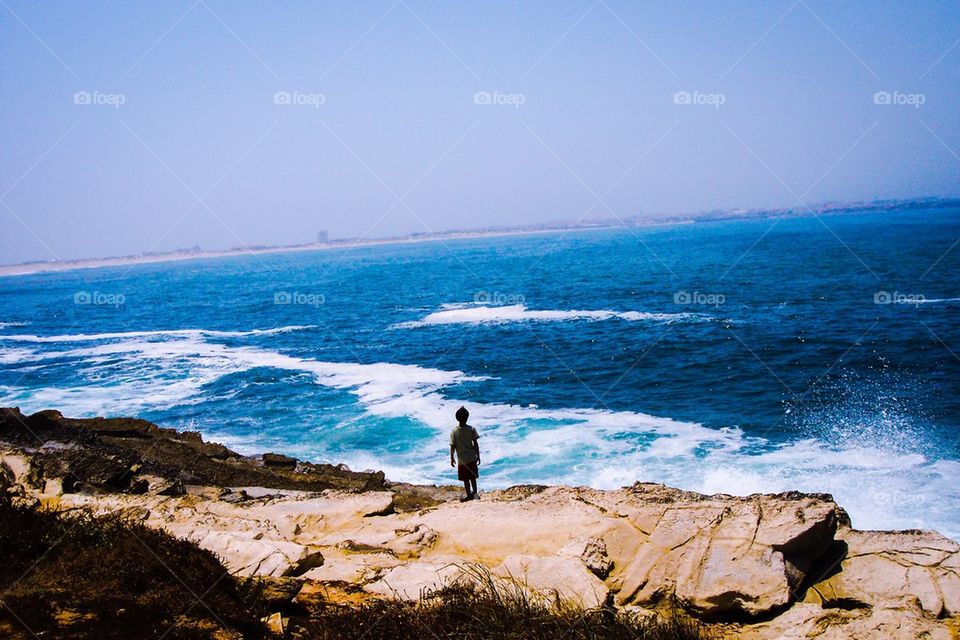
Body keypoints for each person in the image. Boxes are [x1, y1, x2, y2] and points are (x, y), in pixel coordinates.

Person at [449, 406, 480, 501]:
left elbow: (452, 446)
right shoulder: (471, 429)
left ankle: (468, 495)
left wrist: (452, 458)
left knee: (466, 479)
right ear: (467, 418)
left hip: (462, 460)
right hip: (471, 457)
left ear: (457, 418)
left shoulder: (454, 431)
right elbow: (475, 444)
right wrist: (478, 456)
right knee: (473, 477)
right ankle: (475, 494)